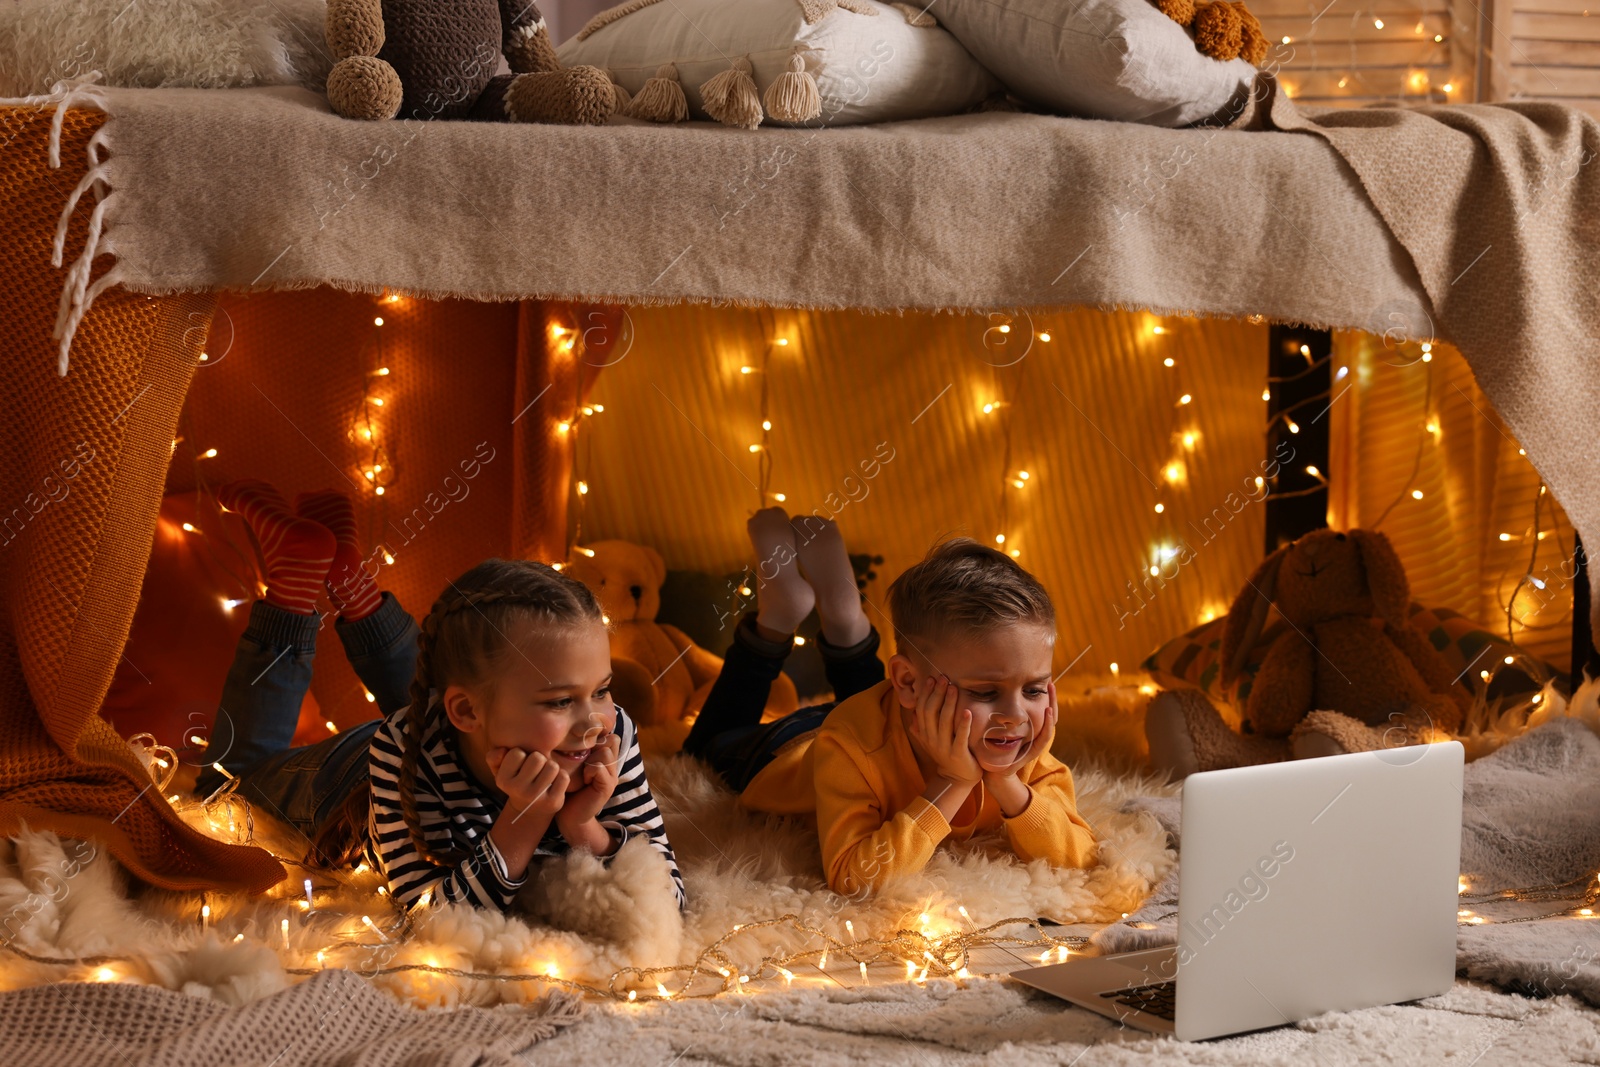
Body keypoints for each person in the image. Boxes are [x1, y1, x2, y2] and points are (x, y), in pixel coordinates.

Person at [192, 480, 684, 912]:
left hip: (451, 724)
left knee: (473, 671)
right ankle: (292, 589)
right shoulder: (402, 746)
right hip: (343, 779)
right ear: (465, 712)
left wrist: (585, 830)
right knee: (217, 790)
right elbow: (431, 922)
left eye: (601, 690)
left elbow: (671, 901)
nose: (592, 721)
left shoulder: (608, 731)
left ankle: (350, 578)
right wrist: (525, 818)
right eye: (560, 701)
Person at [682, 508, 1097, 897]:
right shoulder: (850, 747)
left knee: (890, 697)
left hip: (887, 713)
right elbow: (852, 877)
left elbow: (1078, 858)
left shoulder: (1018, 740)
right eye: (985, 692)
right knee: (708, 745)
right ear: (906, 683)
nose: (1016, 716)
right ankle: (777, 618)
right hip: (786, 749)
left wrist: (1007, 782)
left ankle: (846, 619)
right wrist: (954, 782)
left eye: (1035, 690)